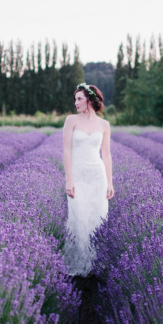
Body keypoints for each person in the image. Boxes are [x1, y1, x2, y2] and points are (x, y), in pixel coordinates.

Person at [62, 83, 114, 277]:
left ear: (90, 100)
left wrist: (110, 182)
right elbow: (66, 150)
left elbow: (106, 155)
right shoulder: (71, 120)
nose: (75, 103)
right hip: (78, 175)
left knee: (97, 218)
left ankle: (95, 265)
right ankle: (79, 265)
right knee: (78, 217)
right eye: (75, 99)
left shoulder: (104, 125)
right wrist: (69, 179)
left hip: (97, 176)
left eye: (79, 99)